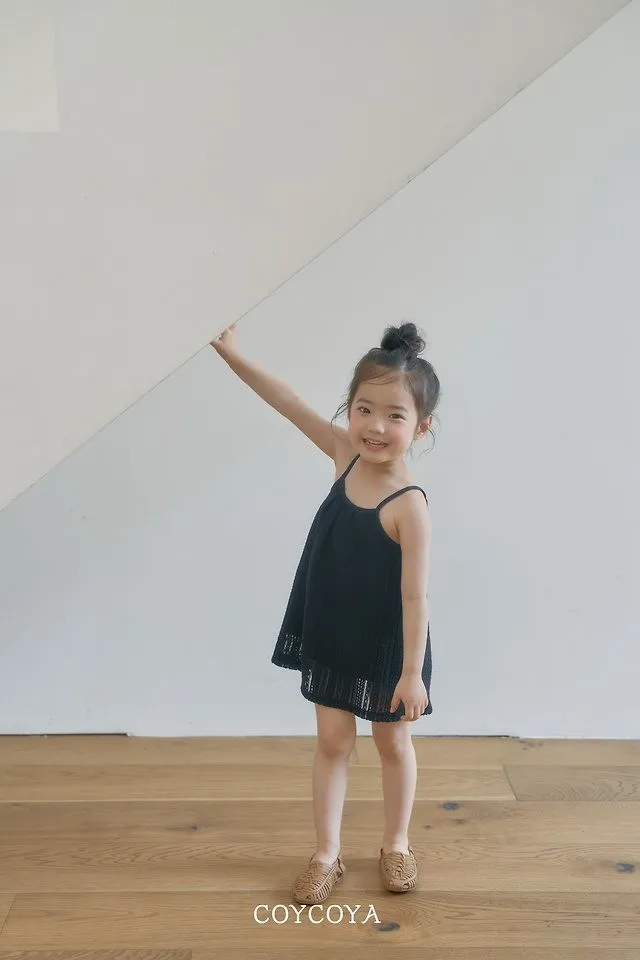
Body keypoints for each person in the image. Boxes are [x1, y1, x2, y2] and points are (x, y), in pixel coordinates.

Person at [210, 321, 440, 904]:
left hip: (389, 645)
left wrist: (412, 673)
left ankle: (396, 844)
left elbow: (416, 597)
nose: (376, 426)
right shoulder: (344, 454)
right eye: (365, 409)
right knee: (333, 742)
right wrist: (233, 355)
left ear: (422, 426)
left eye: (395, 415)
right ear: (350, 409)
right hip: (332, 630)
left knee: (393, 744)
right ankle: (326, 854)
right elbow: (287, 402)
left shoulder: (410, 505)